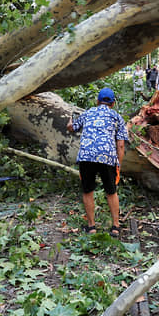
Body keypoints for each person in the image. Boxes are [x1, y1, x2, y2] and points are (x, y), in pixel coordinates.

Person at [67, 87, 128, 238]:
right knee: (111, 191)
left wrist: (70, 120)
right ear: (113, 103)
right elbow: (120, 145)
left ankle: (92, 226)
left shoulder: (87, 113)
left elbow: (71, 128)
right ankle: (115, 226)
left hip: (86, 156)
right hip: (107, 157)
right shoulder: (117, 117)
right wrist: (118, 165)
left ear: (97, 101)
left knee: (88, 191)